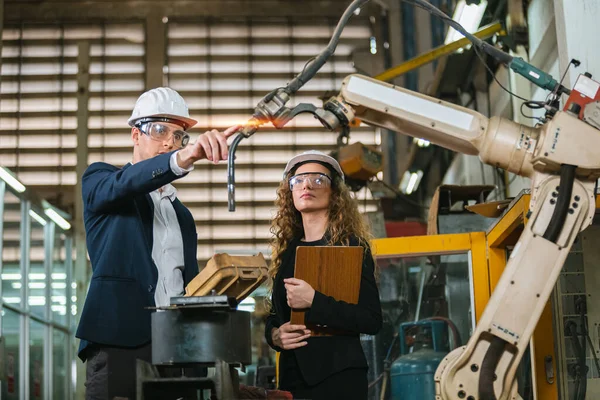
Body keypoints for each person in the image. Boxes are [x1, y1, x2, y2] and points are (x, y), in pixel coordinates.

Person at [75, 86, 239, 399]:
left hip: (179, 350)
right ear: (135, 135)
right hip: (119, 342)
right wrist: (183, 158)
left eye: (178, 136)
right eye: (159, 130)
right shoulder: (101, 180)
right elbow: (127, 183)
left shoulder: (183, 216)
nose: (169, 142)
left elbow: (186, 284)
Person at [264, 150, 383, 399]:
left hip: (339, 380)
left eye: (318, 179)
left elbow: (371, 320)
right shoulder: (287, 251)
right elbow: (275, 316)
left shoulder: (352, 246)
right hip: (292, 380)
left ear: (335, 192)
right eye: (298, 180)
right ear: (290, 192)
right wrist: (275, 336)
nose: (306, 184)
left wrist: (314, 301)